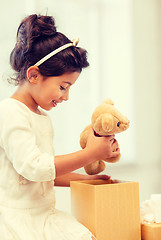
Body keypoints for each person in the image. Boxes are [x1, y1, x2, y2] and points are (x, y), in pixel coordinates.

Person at [0, 14, 120, 240]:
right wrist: (90, 154)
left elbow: (43, 175)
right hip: (18, 222)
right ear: (34, 75)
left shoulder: (41, 117)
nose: (66, 96)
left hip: (44, 216)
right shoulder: (10, 112)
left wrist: (83, 179)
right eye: (63, 87)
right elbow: (34, 168)